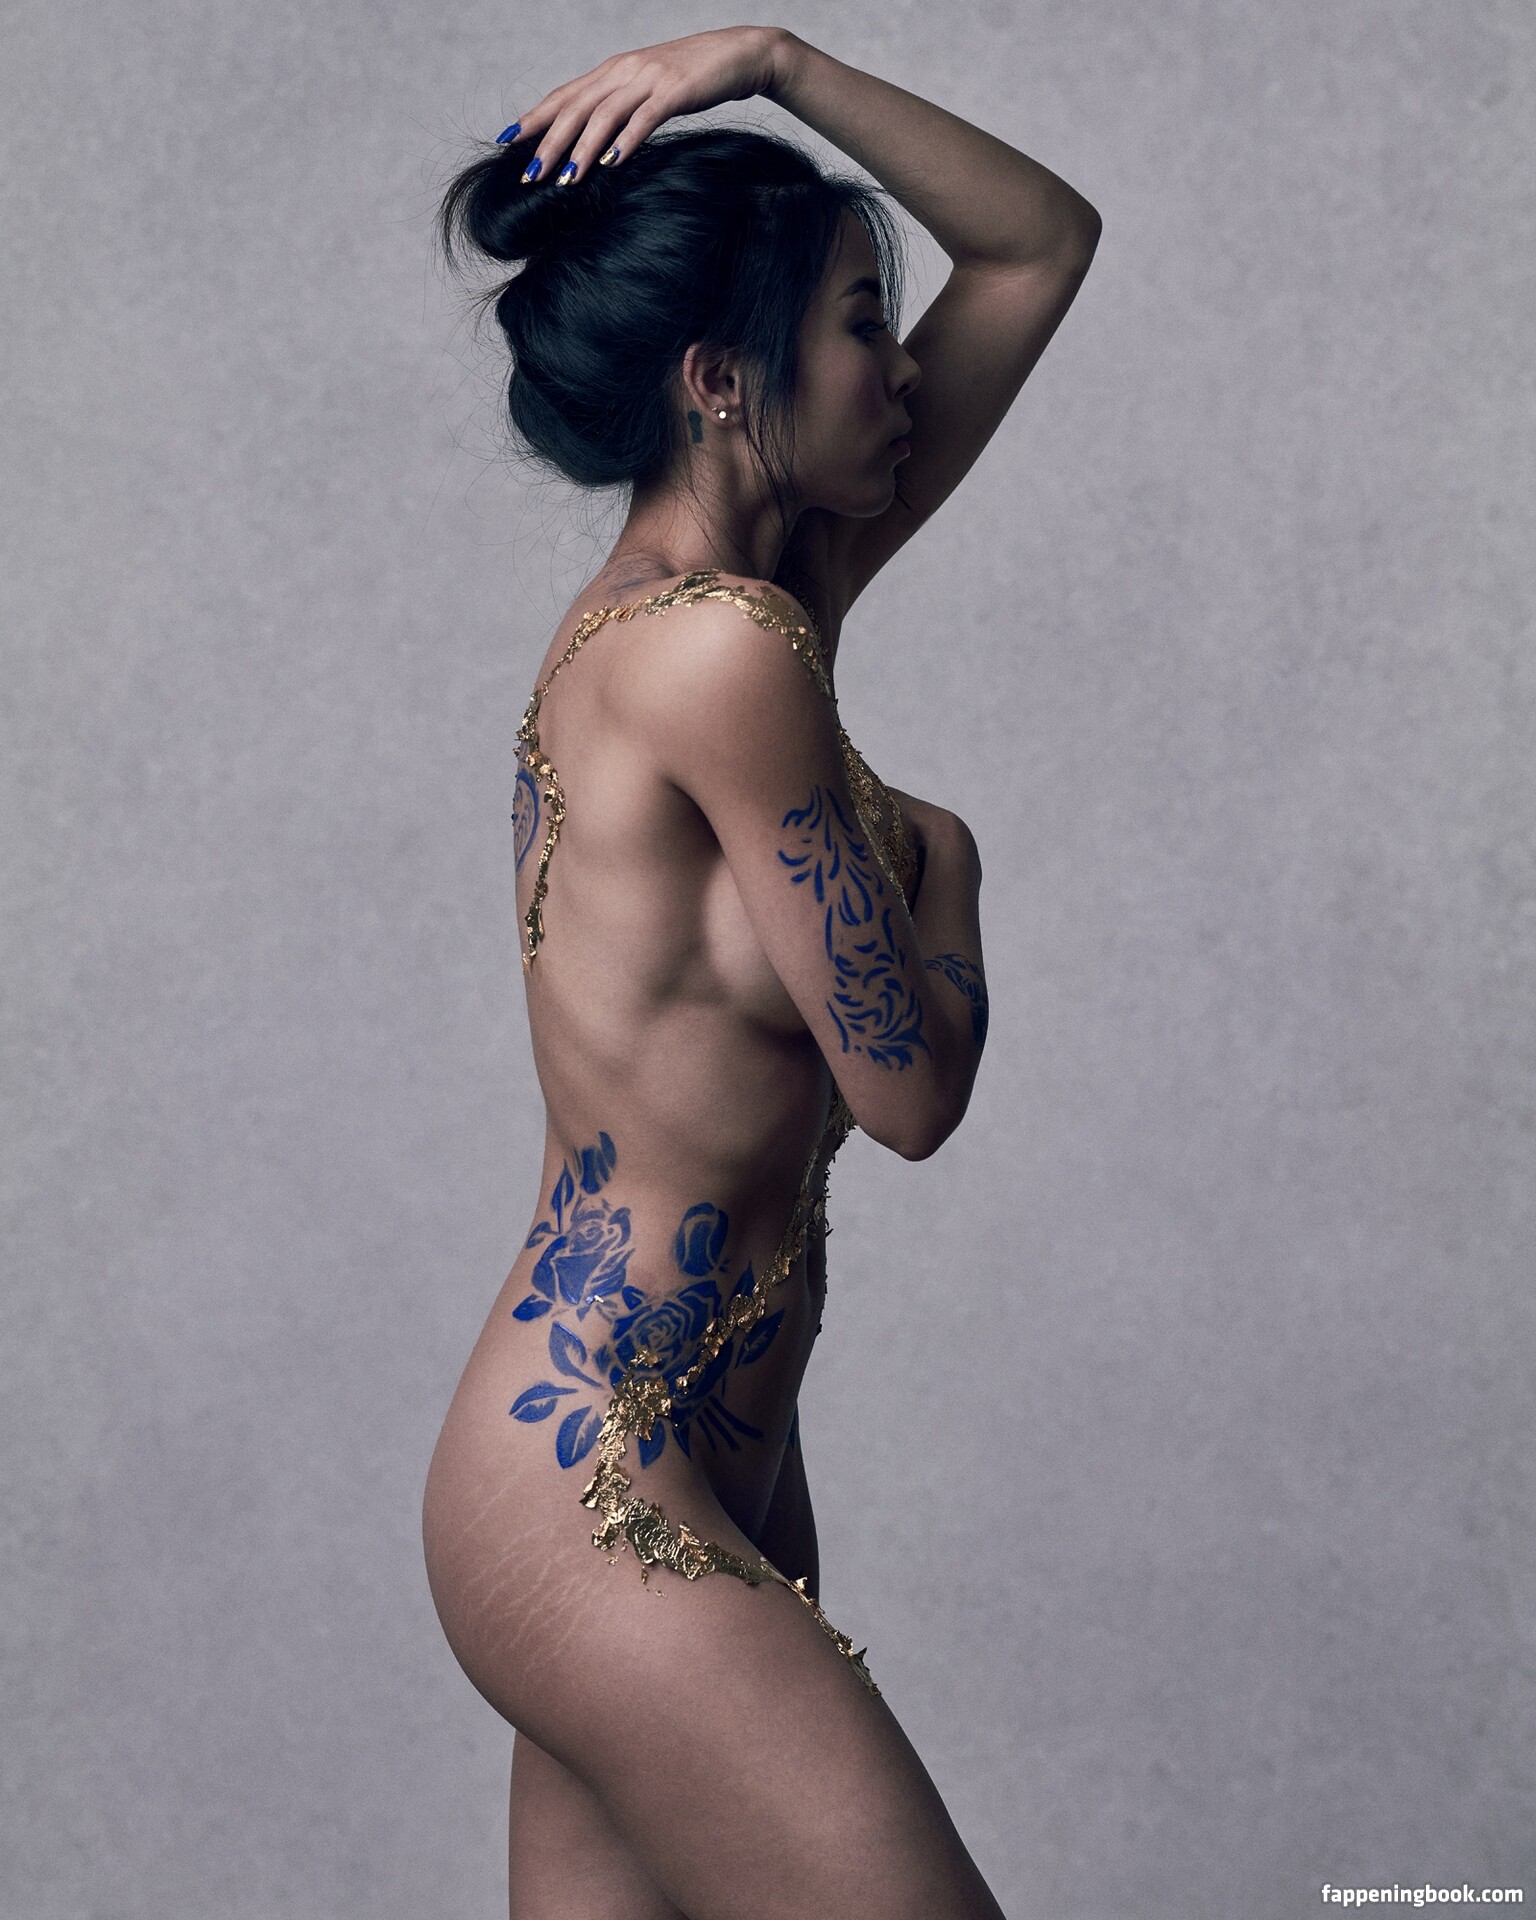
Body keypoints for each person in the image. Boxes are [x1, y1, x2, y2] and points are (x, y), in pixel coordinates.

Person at [421, 25, 1099, 1918]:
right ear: (724, 383)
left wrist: (776, 64)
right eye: (863, 325)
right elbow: (911, 1089)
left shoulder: (751, 599)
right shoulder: (722, 653)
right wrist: (947, 868)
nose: (904, 369)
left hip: (698, 1470)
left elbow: (1038, 244)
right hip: (597, 1495)